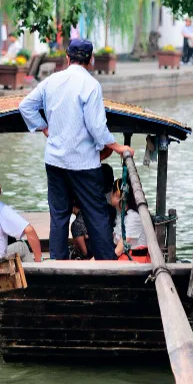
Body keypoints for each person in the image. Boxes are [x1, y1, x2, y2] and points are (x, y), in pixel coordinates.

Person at [18, 38, 134, 261]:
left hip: (55, 161)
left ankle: (58, 263)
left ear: (67, 58)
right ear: (90, 60)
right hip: (83, 163)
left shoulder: (51, 81)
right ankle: (106, 263)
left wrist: (43, 127)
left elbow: (25, 106)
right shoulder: (91, 85)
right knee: (96, 213)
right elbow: (96, 126)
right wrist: (117, 147)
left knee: (59, 215)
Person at [111, 177, 148, 259]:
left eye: (111, 192)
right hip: (126, 256)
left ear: (117, 194)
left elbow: (118, 250)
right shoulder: (121, 213)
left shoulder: (133, 217)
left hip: (135, 260)